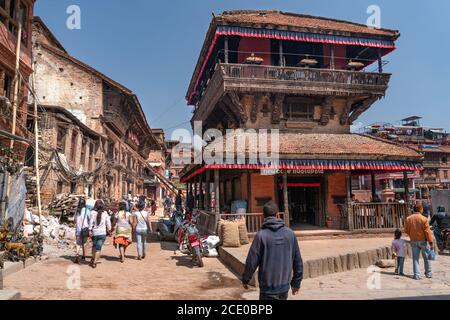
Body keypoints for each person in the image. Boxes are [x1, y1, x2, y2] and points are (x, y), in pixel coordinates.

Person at [242, 201, 303, 300]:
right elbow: (298, 261)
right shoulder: (290, 234)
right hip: (284, 287)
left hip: (267, 288)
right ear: (278, 215)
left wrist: (245, 279)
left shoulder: (261, 236)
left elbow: (251, 261)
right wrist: (296, 283)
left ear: (263, 216)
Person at [404, 204, 434, 280]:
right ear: (421, 209)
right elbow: (427, 232)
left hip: (413, 241)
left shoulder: (409, 218)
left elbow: (406, 230)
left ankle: (416, 274)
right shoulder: (424, 219)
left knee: (415, 259)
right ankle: (428, 273)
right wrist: (430, 241)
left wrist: (412, 234)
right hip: (423, 241)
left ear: (413, 210)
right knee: (426, 258)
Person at [89, 200, 112, 268]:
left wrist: (90, 230)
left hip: (95, 233)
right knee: (98, 249)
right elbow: (108, 223)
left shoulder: (92, 213)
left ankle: (93, 258)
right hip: (102, 233)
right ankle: (94, 262)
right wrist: (109, 230)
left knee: (94, 246)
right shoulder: (105, 213)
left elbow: (90, 223)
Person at [74, 198, 94, 264]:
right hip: (85, 229)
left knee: (78, 243)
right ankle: (84, 255)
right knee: (84, 243)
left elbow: (74, 220)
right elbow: (89, 219)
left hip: (78, 229)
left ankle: (77, 255)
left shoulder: (77, 211)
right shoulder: (86, 210)